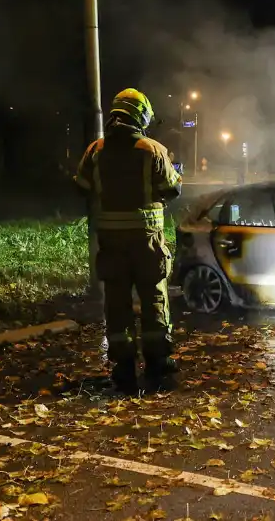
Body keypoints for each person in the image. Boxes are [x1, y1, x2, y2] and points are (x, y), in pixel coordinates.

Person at [74, 88, 182, 394]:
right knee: (154, 301)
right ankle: (157, 362)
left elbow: (81, 186)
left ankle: (123, 366)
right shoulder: (153, 150)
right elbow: (173, 190)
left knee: (117, 305)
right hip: (147, 245)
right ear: (141, 115)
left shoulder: (95, 150)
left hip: (111, 245)